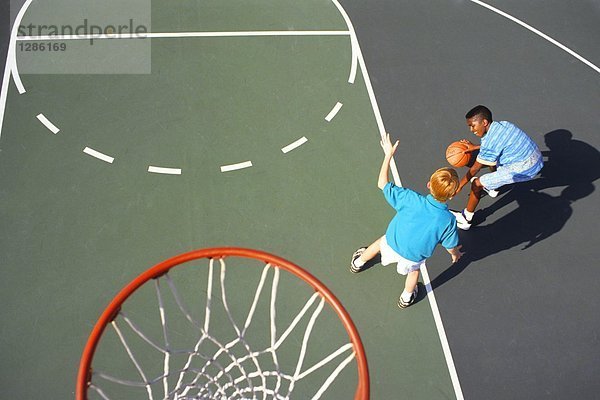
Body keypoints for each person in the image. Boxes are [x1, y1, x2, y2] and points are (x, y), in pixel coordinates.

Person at [350, 133, 464, 308]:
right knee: (414, 273)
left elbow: (382, 183)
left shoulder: (410, 199)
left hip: (392, 241)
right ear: (454, 194)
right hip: (413, 258)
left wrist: (388, 155)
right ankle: (406, 298)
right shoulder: (448, 221)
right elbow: (450, 247)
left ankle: (358, 263)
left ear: (429, 184)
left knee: (377, 245)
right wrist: (455, 256)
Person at [452, 105, 544, 230]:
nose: (471, 130)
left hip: (526, 169)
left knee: (477, 184)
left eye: (472, 125)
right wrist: (475, 147)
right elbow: (496, 143)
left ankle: (466, 218)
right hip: (536, 158)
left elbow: (475, 169)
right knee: (492, 159)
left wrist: (459, 186)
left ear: (484, 122)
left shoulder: (491, 142)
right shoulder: (503, 125)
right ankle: (493, 189)